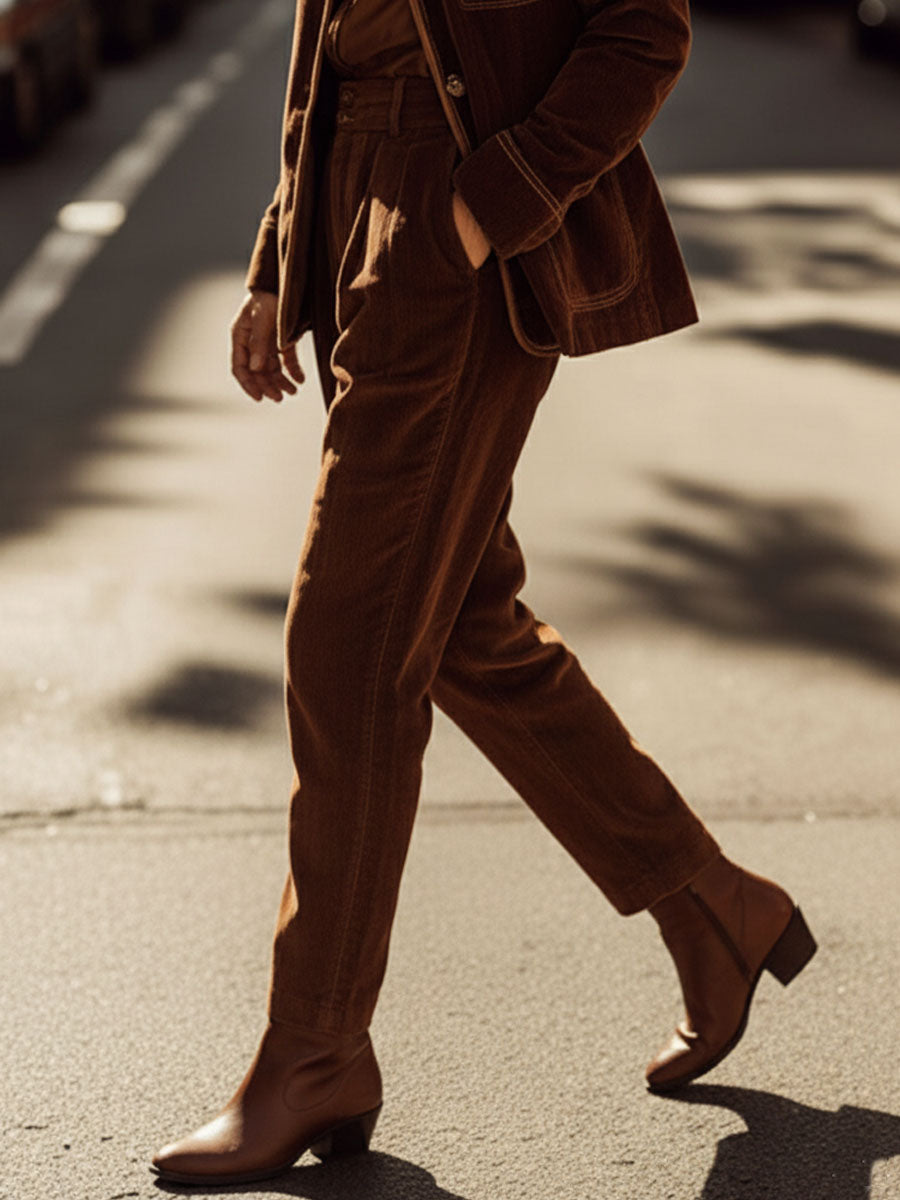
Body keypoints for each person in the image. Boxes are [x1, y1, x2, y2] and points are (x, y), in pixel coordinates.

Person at [151, 0, 817, 1186]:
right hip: (361, 209)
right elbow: (334, 48)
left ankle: (316, 1047)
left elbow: (641, 31)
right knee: (457, 623)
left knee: (350, 639)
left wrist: (481, 210)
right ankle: (715, 904)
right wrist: (277, 256)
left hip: (450, 218)